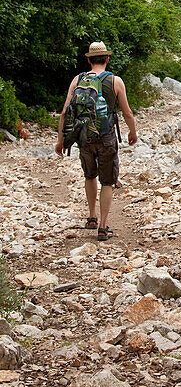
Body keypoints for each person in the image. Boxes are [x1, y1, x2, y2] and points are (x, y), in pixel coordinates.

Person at [55, 41, 138, 241]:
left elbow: (65, 112)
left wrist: (61, 141)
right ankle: (102, 226)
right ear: (107, 59)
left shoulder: (78, 80)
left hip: (84, 137)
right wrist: (132, 132)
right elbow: (126, 112)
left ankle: (91, 217)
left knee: (89, 176)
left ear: (89, 60)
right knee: (107, 181)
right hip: (107, 136)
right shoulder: (115, 81)